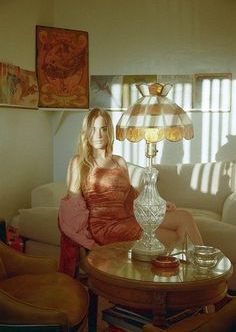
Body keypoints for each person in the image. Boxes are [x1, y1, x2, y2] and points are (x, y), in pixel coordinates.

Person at [58, 108, 203, 275]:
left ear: (109, 132)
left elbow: (131, 195)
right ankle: (197, 281)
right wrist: (86, 241)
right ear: (86, 132)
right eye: (93, 129)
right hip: (105, 227)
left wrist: (160, 204)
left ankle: (202, 276)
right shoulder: (79, 163)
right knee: (174, 239)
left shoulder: (119, 161)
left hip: (128, 218)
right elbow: (73, 207)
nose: (98, 135)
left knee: (184, 217)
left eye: (103, 129)